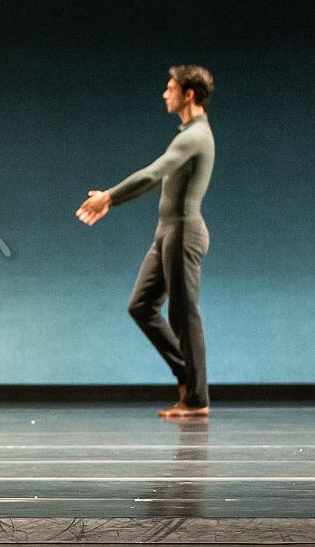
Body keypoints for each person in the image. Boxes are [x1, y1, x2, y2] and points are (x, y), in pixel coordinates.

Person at [76, 66, 217, 419]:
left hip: (183, 232)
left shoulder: (196, 135)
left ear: (188, 94)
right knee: (141, 305)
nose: (165, 94)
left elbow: (154, 174)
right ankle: (187, 376)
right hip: (167, 232)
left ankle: (196, 399)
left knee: (184, 314)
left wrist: (109, 197)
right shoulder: (186, 133)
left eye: (171, 88)